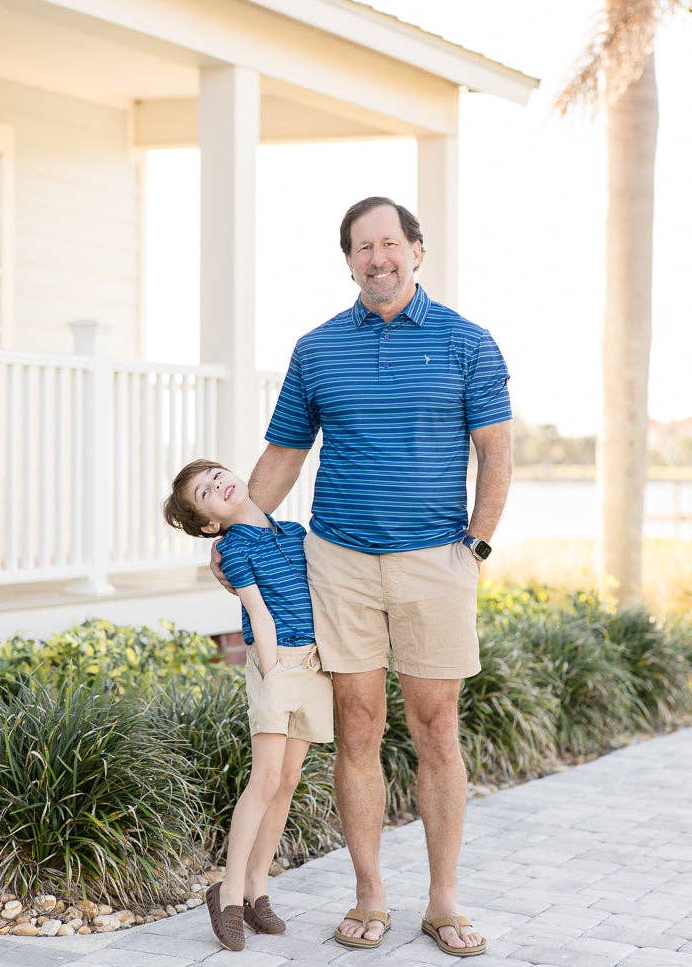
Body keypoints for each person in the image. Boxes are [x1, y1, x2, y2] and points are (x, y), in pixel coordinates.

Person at [211, 195, 512, 957]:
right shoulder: (316, 349)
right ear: (347, 260)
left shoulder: (468, 342)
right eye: (361, 247)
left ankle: (443, 900)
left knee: (437, 728)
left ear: (416, 249)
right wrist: (233, 531)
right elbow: (283, 455)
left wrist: (474, 545)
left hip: (434, 561)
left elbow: (496, 453)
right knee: (357, 729)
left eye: (389, 243)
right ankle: (370, 894)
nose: (377, 258)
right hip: (338, 562)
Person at [164, 459, 334, 953]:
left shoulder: (295, 531)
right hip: (275, 663)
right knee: (263, 781)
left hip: (316, 663)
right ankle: (230, 894)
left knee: (287, 782)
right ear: (211, 523)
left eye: (218, 474)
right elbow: (258, 613)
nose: (219, 483)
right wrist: (272, 669)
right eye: (206, 491)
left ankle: (259, 888)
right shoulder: (234, 548)